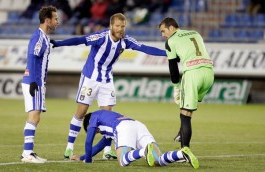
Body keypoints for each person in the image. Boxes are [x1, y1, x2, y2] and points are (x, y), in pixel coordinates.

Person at [50, 13, 167, 160]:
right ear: (111, 26)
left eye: (123, 26)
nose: (120, 29)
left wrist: (167, 53)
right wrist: (59, 43)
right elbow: (80, 40)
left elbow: (145, 48)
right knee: (81, 112)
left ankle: (107, 151)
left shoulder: (125, 41)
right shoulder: (101, 37)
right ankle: (69, 147)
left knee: (107, 116)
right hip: (90, 78)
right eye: (117, 26)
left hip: (106, 80)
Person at [70, 110, 199, 169]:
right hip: (138, 125)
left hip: (124, 128)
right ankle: (181, 153)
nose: (96, 132)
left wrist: (87, 161)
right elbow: (99, 146)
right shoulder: (108, 122)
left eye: (94, 130)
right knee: (157, 161)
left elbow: (88, 141)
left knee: (122, 160)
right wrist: (82, 157)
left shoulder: (94, 117)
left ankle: (143, 152)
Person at [158, 18, 214, 149]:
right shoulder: (195, 33)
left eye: (163, 31)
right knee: (187, 110)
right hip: (209, 73)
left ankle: (184, 151)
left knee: (184, 115)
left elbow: (173, 67)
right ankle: (180, 133)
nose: (163, 35)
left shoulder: (170, 41)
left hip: (193, 74)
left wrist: (176, 87)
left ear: (171, 28)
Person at [20, 5, 59, 163]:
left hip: (36, 82)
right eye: (55, 19)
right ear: (47, 20)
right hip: (34, 82)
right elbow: (32, 57)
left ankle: (28, 152)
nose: (57, 22)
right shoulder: (39, 37)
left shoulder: (44, 37)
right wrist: (34, 82)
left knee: (35, 117)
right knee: (34, 116)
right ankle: (27, 153)